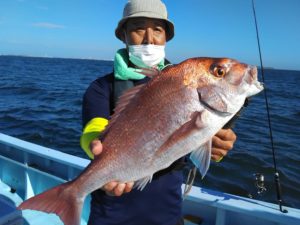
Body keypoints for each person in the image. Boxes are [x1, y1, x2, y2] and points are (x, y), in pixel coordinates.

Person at [80, 0, 237, 224]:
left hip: (167, 212)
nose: (149, 38)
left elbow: (195, 143)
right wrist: (95, 144)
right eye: (137, 29)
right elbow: (93, 130)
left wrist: (216, 145)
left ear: (166, 38)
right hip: (111, 212)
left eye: (157, 30)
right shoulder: (101, 88)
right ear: (123, 35)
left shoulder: (190, 88)